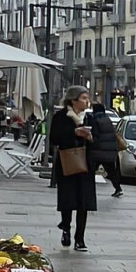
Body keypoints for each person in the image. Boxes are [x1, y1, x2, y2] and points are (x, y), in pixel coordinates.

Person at [50, 86, 96, 252]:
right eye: (83, 98)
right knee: (68, 200)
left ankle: (80, 238)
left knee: (84, 202)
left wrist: (90, 136)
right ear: (73, 100)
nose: (86, 101)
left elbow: (99, 139)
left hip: (85, 164)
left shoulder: (89, 118)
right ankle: (66, 229)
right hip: (67, 162)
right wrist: (74, 133)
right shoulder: (61, 117)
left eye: (87, 98)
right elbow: (54, 138)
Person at [88, 102, 122, 197]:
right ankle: (118, 188)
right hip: (109, 151)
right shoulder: (108, 120)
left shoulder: (95, 120)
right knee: (111, 172)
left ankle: (88, 190)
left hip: (98, 151)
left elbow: (95, 136)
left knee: (90, 172)